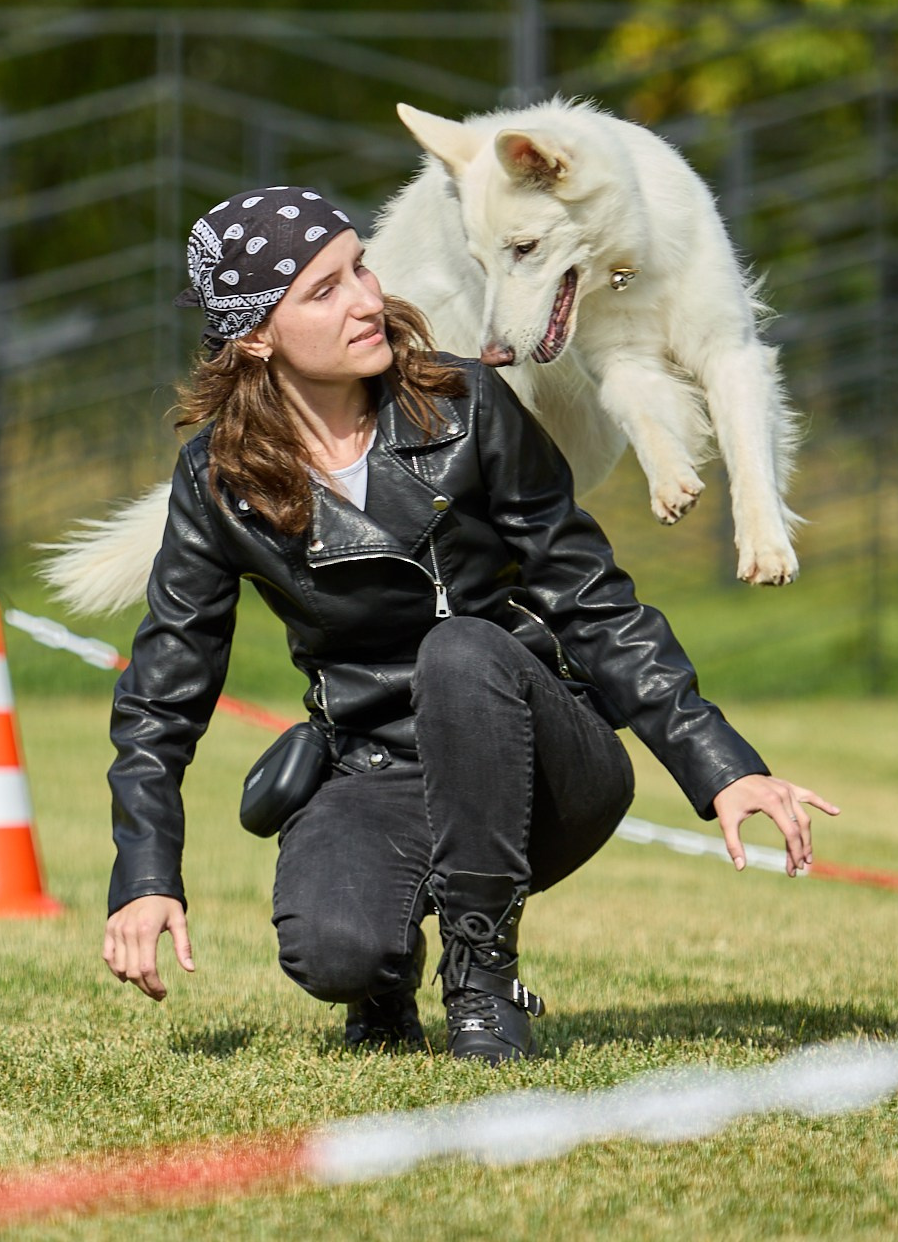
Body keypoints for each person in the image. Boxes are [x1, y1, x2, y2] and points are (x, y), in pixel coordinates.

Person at [98, 185, 838, 1063]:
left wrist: (721, 766)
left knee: (458, 650)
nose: (367, 299)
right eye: (325, 289)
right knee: (335, 952)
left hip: (540, 758)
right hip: (377, 763)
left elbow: (593, 600)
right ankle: (385, 977)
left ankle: (483, 973)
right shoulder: (217, 479)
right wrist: (144, 877)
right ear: (256, 334)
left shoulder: (472, 403)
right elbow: (162, 698)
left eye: (360, 267)